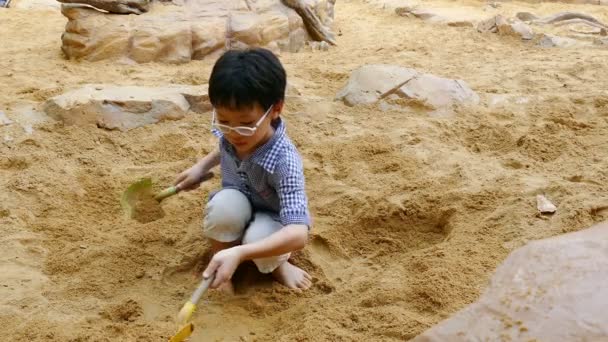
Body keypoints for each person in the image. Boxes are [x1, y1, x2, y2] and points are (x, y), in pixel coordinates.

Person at [174, 48, 312, 292]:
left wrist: (240, 252)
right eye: (223, 121)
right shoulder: (233, 131)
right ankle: (222, 268)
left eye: (247, 124)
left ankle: (279, 266)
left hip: (272, 218)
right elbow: (224, 147)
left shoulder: (285, 161)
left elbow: (299, 233)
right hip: (239, 198)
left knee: (259, 239)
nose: (234, 133)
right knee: (223, 208)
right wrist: (200, 167)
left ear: (276, 109)